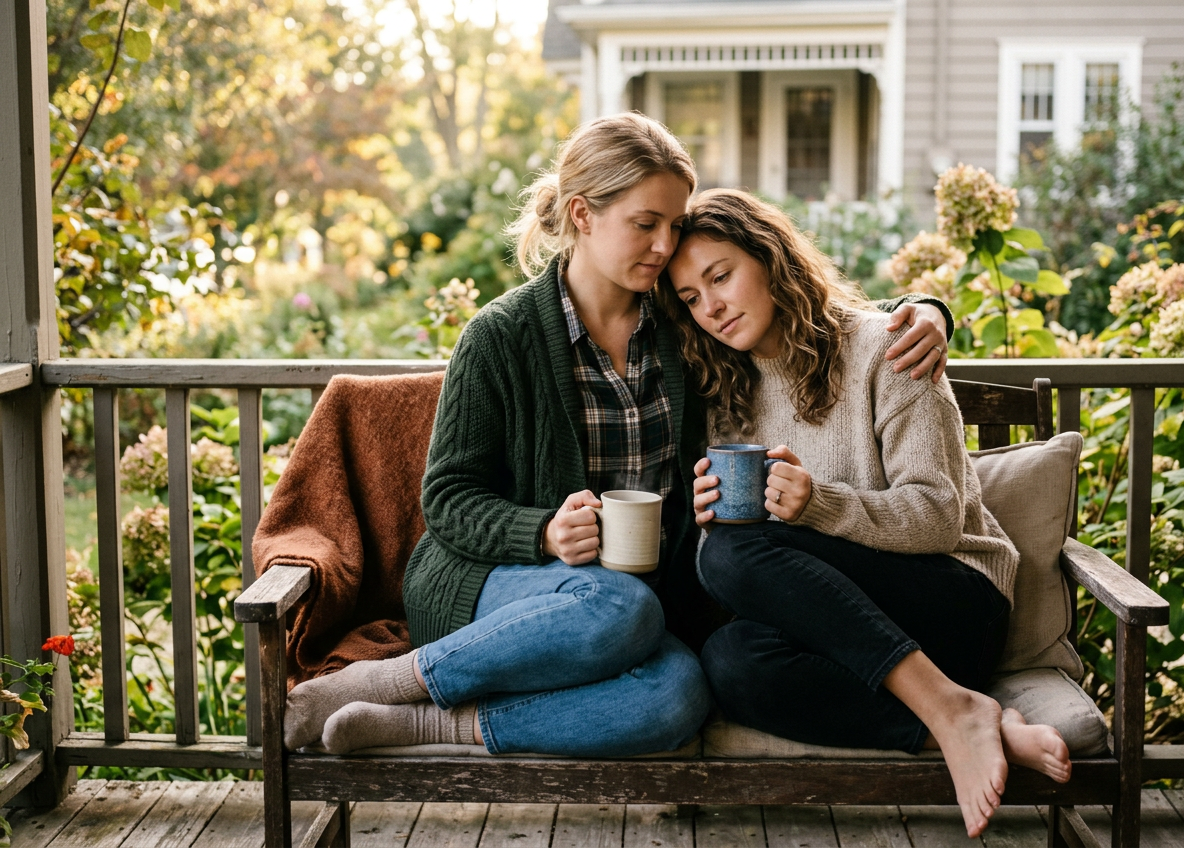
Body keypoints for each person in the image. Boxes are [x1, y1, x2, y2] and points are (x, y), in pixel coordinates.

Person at [281, 114, 954, 759]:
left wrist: (922, 312)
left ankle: (426, 726)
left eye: (673, 226)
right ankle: (384, 683)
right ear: (583, 215)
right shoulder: (499, 336)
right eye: (645, 224)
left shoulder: (683, 325)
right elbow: (449, 499)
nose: (665, 247)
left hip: (631, 603)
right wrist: (542, 531)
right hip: (493, 587)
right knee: (618, 604)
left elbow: (794, 303)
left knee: (678, 694)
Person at [659, 189, 1072, 838]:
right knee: (731, 659)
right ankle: (961, 721)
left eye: (721, 276)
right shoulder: (725, 392)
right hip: (850, 639)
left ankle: (954, 706)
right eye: (690, 297)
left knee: (733, 551)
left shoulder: (891, 349)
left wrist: (816, 504)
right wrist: (712, 510)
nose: (710, 306)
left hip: (952, 603)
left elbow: (939, 516)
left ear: (770, 259)